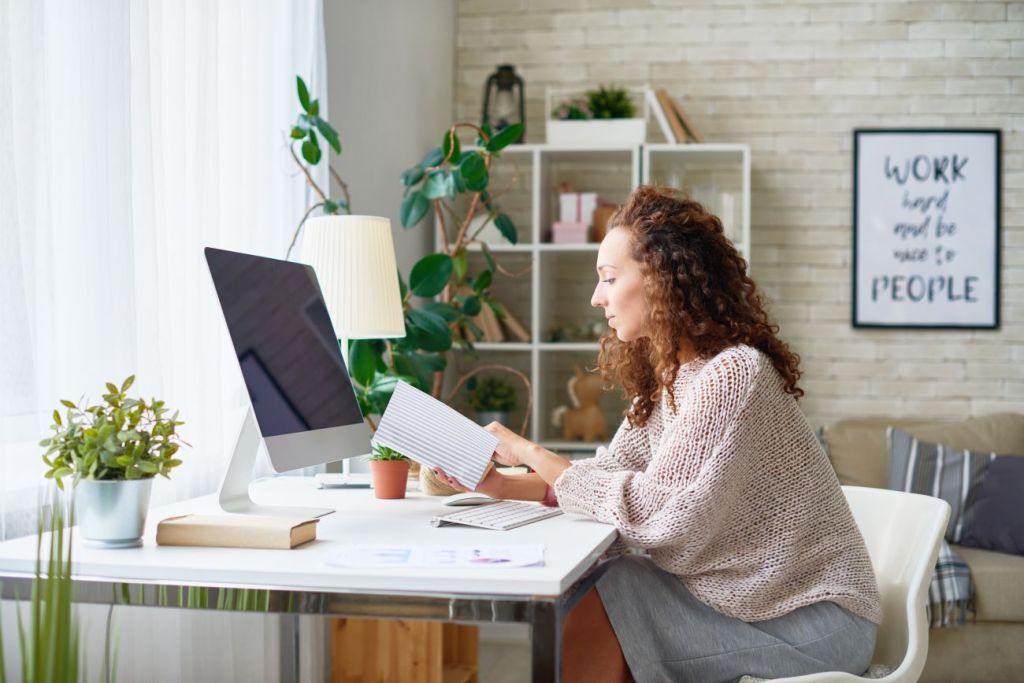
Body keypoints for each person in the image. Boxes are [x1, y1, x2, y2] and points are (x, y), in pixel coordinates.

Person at [435, 185, 881, 683]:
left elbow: (662, 516)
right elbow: (606, 477)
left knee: (615, 592)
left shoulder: (733, 373)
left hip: (811, 620)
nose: (596, 296)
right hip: (743, 601)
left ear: (661, 279)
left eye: (609, 278)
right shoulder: (671, 376)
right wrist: (499, 485)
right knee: (611, 585)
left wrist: (528, 451)